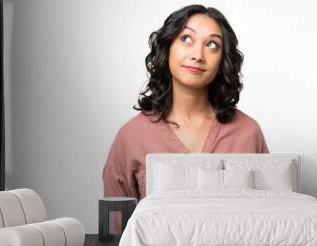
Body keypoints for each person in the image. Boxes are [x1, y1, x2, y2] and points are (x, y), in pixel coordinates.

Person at [102, 5, 269, 234]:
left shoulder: (248, 132)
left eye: (212, 44)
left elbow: (269, 222)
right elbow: (115, 233)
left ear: (223, 60)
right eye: (186, 38)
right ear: (168, 46)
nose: (198, 55)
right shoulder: (130, 137)